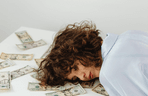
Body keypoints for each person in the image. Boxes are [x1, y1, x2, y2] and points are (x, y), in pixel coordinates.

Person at [37, 20, 148, 96]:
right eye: (75, 78)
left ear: (79, 49)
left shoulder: (109, 72)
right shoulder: (128, 35)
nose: (82, 77)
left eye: (75, 68)